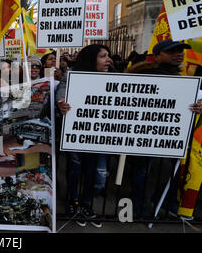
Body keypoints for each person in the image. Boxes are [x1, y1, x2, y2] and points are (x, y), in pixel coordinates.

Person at [125, 39, 202, 219]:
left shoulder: (181, 78)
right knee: (142, 171)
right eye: (172, 51)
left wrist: (196, 107)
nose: (179, 54)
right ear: (158, 55)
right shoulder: (145, 75)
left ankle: (161, 200)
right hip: (144, 134)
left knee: (176, 169)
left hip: (171, 135)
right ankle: (139, 207)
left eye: (180, 50)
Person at [56, 44, 113, 228]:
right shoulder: (71, 76)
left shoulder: (115, 78)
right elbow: (61, 95)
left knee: (99, 176)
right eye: (103, 56)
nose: (108, 60)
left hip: (102, 138)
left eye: (108, 56)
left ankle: (87, 202)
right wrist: (62, 104)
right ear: (91, 59)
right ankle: (75, 203)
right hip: (78, 137)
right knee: (76, 170)